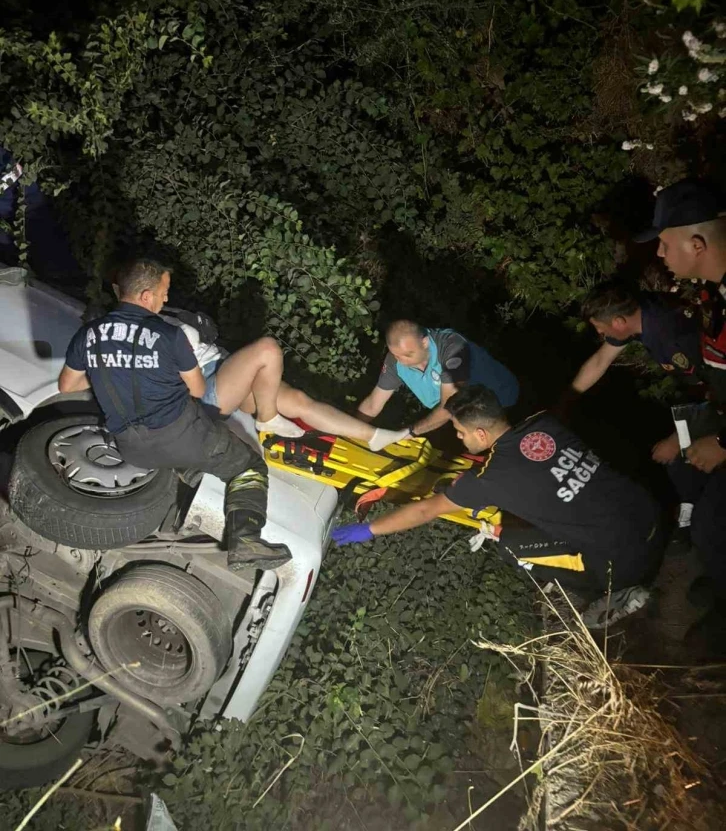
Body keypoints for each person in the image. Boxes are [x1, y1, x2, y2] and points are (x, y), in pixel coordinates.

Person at [334, 385, 664, 628]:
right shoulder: (544, 424)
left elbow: (425, 510)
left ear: (480, 433)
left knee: (509, 545)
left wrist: (370, 529)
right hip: (651, 515)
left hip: (625, 558)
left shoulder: (491, 479)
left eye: (460, 432)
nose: (459, 438)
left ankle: (616, 591)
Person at [57, 257, 294, 570]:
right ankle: (245, 540)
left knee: (191, 449)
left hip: (130, 448)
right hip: (180, 433)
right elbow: (197, 389)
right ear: (146, 296)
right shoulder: (169, 335)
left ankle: (188, 467)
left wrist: (113, 368)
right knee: (247, 467)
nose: (166, 298)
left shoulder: (89, 334)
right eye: (163, 292)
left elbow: (67, 385)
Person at [633, 179, 726, 642]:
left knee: (712, 523)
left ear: (696, 244)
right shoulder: (712, 292)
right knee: (712, 523)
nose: (660, 254)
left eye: (665, 244)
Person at [163, 313, 411, 452]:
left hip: (225, 369)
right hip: (205, 390)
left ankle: (373, 436)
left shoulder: (165, 314)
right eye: (161, 292)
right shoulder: (146, 332)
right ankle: (267, 418)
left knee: (298, 400)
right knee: (267, 349)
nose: (164, 297)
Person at [571, 280, 703, 529]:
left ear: (619, 322)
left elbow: (714, 390)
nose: (601, 336)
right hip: (698, 395)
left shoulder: (671, 336)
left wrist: (677, 439)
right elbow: (600, 361)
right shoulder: (640, 313)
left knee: (675, 457)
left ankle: (695, 519)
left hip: (713, 399)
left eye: (601, 330)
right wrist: (567, 399)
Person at [356, 320, 519, 438]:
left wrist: (407, 433)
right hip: (455, 412)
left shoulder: (452, 346)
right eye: (396, 355)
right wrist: (353, 430)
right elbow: (372, 404)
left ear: (424, 342)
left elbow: (450, 405)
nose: (402, 361)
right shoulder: (395, 361)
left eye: (408, 355)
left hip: (500, 401)